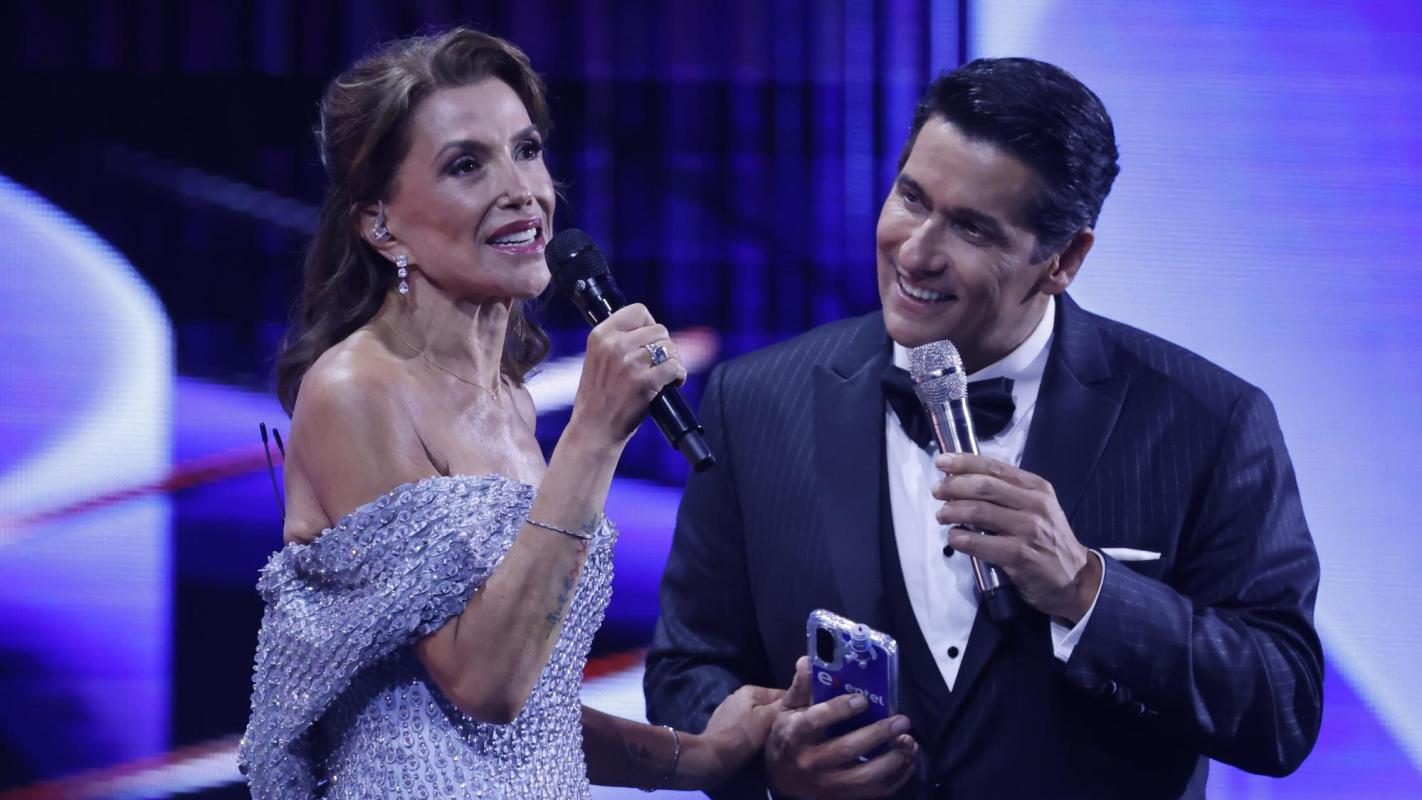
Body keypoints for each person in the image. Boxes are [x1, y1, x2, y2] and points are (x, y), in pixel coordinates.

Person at [644, 57, 1323, 799]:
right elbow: (685, 672)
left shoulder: (1207, 422)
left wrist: (1085, 588)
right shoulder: (755, 402)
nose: (915, 252)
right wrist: (768, 762)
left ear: (1063, 260)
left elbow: (1282, 707)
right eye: (911, 198)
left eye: (971, 228)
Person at [238, 28, 783, 799]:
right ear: (380, 224)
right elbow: (485, 684)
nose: (522, 189)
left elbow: (529, 715)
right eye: (467, 165)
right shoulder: (355, 391)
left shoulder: (510, 402)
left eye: (526, 150)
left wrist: (702, 756)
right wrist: (595, 434)